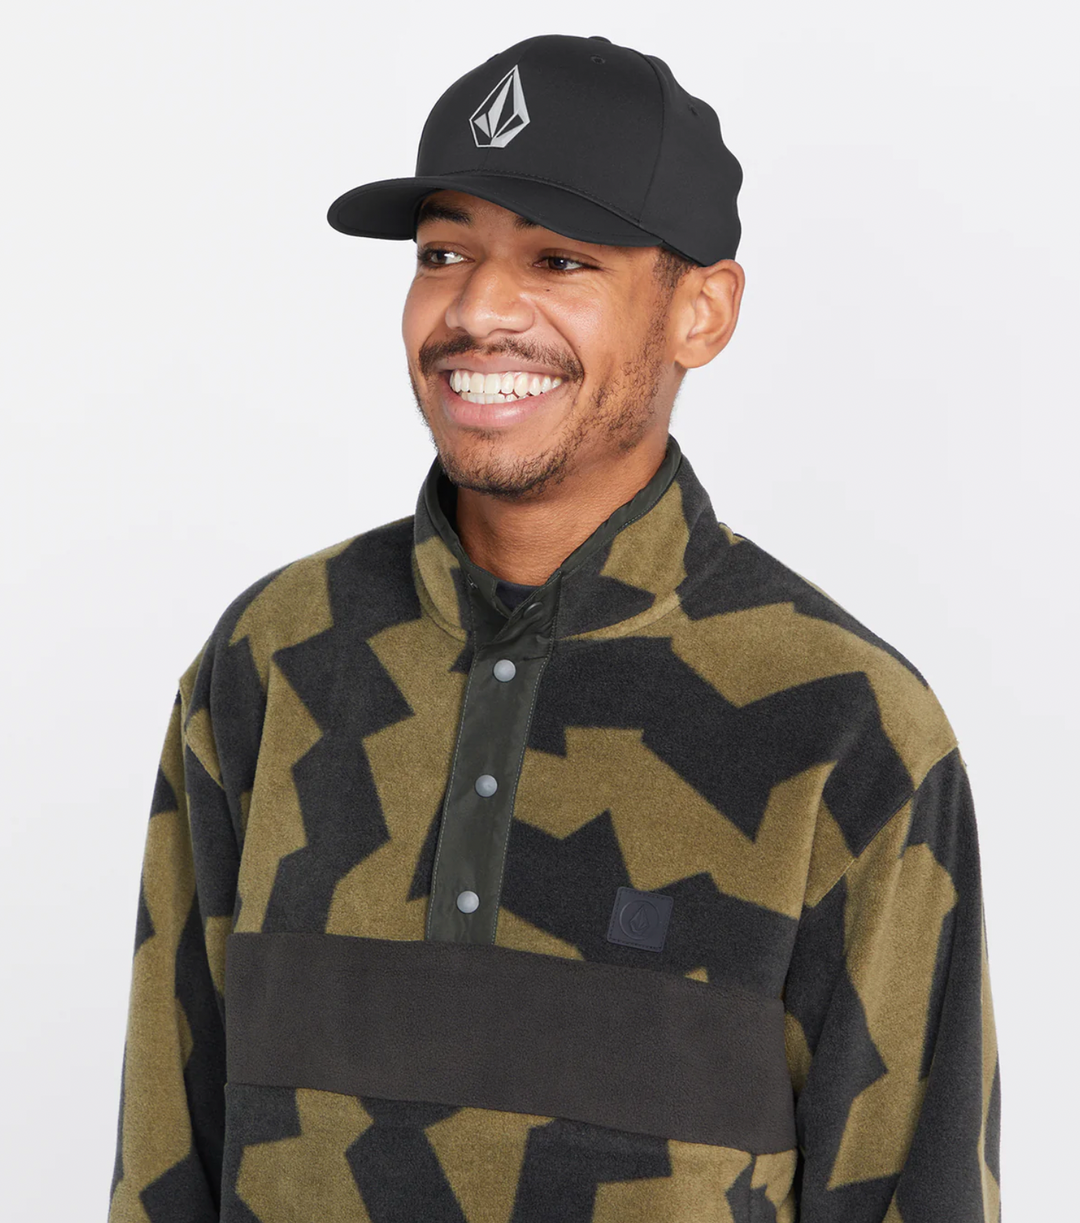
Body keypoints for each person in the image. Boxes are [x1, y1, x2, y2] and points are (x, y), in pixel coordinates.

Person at [107, 33, 1000, 1223]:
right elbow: (163, 1160)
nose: (477, 308)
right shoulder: (270, 661)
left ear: (702, 312)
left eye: (560, 259)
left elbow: (917, 1187)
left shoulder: (846, 724)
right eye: (443, 253)